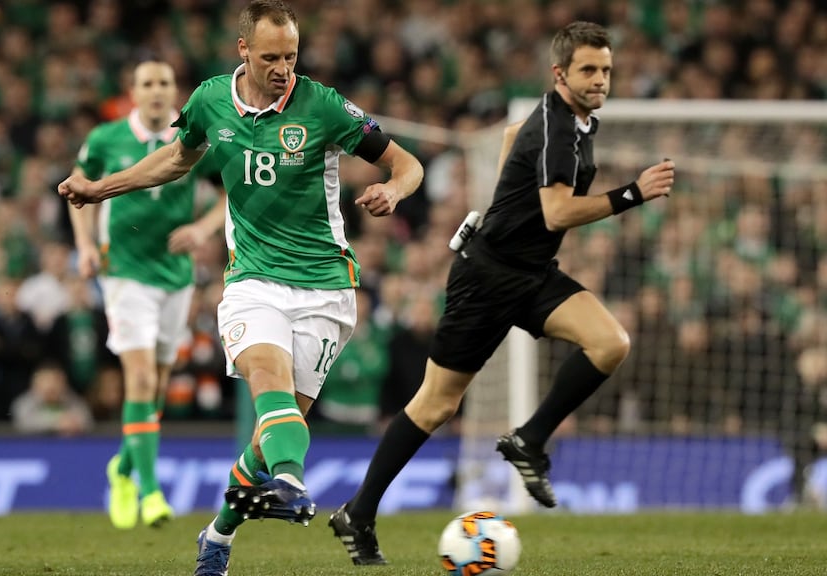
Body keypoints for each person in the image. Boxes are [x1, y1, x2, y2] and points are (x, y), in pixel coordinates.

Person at [58, 1, 423, 573]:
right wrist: (101, 190)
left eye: (292, 56)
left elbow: (407, 163)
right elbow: (175, 160)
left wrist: (395, 191)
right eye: (272, 56)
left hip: (327, 287)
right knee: (269, 383)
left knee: (273, 431)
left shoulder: (324, 106)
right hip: (253, 280)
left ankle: (218, 535)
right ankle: (292, 485)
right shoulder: (207, 100)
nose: (284, 67)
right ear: (244, 50)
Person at [328, 21, 675, 565]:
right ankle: (359, 513)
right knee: (437, 403)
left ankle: (528, 440)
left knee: (611, 343)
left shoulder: (572, 121)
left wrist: (501, 201)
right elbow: (558, 210)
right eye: (589, 69)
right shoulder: (557, 128)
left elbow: (514, 137)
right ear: (561, 73)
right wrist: (632, 193)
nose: (600, 79)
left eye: (606, 69)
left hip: (532, 271)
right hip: (486, 277)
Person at [66, 58, 227, 530]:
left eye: (164, 83)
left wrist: (202, 228)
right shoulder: (105, 138)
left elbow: (227, 194)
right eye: (147, 84)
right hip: (124, 271)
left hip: (174, 274)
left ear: (174, 89)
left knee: (155, 385)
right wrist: (84, 245)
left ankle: (122, 467)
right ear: (132, 92)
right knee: (137, 378)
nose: (157, 91)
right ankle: (150, 491)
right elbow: (79, 189)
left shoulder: (194, 133)